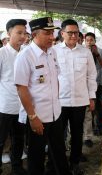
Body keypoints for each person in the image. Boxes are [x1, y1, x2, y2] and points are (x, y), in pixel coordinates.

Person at [14, 17, 71, 175]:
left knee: (59, 153)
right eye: (47, 33)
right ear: (34, 34)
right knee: (36, 157)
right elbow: (22, 89)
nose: (52, 37)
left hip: (55, 113)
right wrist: (33, 117)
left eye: (52, 32)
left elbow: (55, 80)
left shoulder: (52, 52)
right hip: (37, 117)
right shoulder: (25, 56)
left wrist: (57, 102)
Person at [53, 19, 97, 174]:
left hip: (80, 100)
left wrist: (92, 97)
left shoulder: (85, 52)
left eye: (76, 32)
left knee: (78, 134)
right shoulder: (54, 51)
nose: (73, 35)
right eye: (70, 32)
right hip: (60, 100)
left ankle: (74, 162)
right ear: (62, 33)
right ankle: (58, 163)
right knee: (58, 134)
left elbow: (91, 76)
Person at [0, 19, 27, 175]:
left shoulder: (26, 52)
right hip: (4, 105)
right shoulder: (2, 53)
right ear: (9, 33)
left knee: (19, 139)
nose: (23, 36)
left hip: (22, 106)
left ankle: (17, 167)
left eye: (24, 33)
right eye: (19, 32)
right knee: (1, 140)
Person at [84, 32, 102, 145]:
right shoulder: (83, 51)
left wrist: (96, 54)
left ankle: (100, 127)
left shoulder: (100, 51)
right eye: (87, 40)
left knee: (98, 105)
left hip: (99, 82)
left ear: (95, 41)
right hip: (86, 84)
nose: (89, 42)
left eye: (91, 39)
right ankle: (90, 129)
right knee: (89, 107)